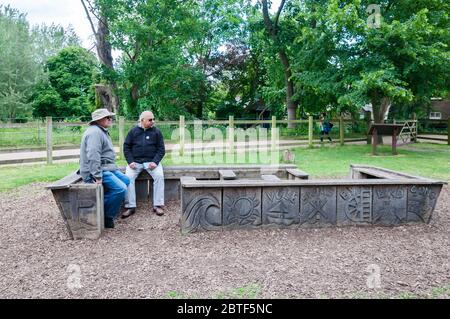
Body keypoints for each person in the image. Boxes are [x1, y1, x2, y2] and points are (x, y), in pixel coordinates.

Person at [79, 108, 130, 228]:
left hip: (106, 167)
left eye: (110, 117)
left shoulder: (101, 130)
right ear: (99, 119)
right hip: (96, 170)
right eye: (108, 117)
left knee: (126, 180)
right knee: (120, 189)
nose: (110, 119)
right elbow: (93, 155)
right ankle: (105, 216)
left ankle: (106, 208)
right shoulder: (95, 133)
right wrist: (97, 176)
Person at [122, 111, 165, 218]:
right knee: (128, 178)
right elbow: (126, 147)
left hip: (151, 162)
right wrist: (130, 161)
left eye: (153, 119)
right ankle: (130, 206)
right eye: (150, 120)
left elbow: (161, 149)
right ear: (142, 120)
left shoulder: (156, 132)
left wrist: (155, 162)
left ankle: (158, 205)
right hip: (135, 162)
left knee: (159, 176)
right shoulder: (133, 132)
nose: (153, 121)